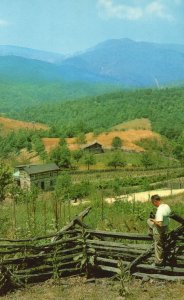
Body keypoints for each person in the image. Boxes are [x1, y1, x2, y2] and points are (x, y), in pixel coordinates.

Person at [147, 194, 171, 267]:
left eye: (152, 202)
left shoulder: (160, 211)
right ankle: (150, 232)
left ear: (155, 201)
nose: (153, 204)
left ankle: (158, 263)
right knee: (148, 220)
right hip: (166, 227)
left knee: (158, 245)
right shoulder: (166, 206)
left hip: (159, 229)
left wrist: (154, 220)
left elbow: (160, 224)